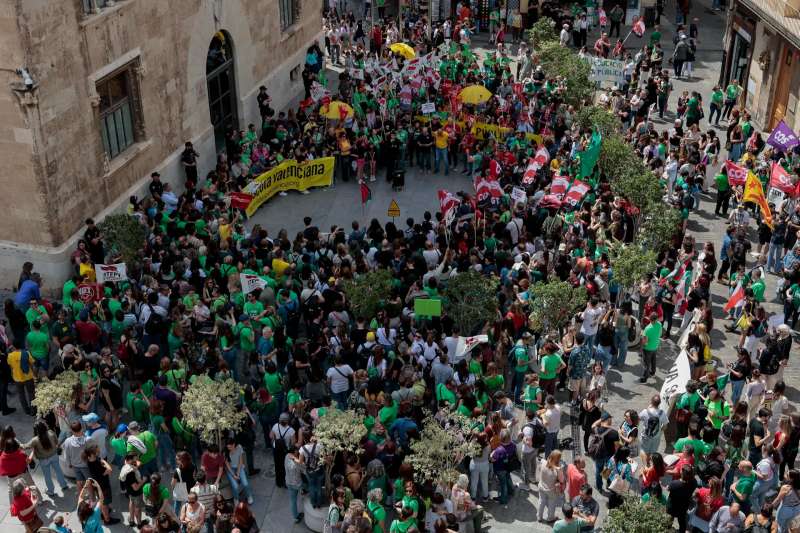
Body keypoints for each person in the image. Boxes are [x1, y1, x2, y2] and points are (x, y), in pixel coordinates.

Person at [539, 449, 566, 523]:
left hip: (541, 486)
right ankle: (550, 518)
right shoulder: (558, 470)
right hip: (551, 490)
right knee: (551, 504)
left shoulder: (543, 462)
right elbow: (562, 480)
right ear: (558, 459)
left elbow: (539, 469)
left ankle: (539, 516)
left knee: (541, 501)